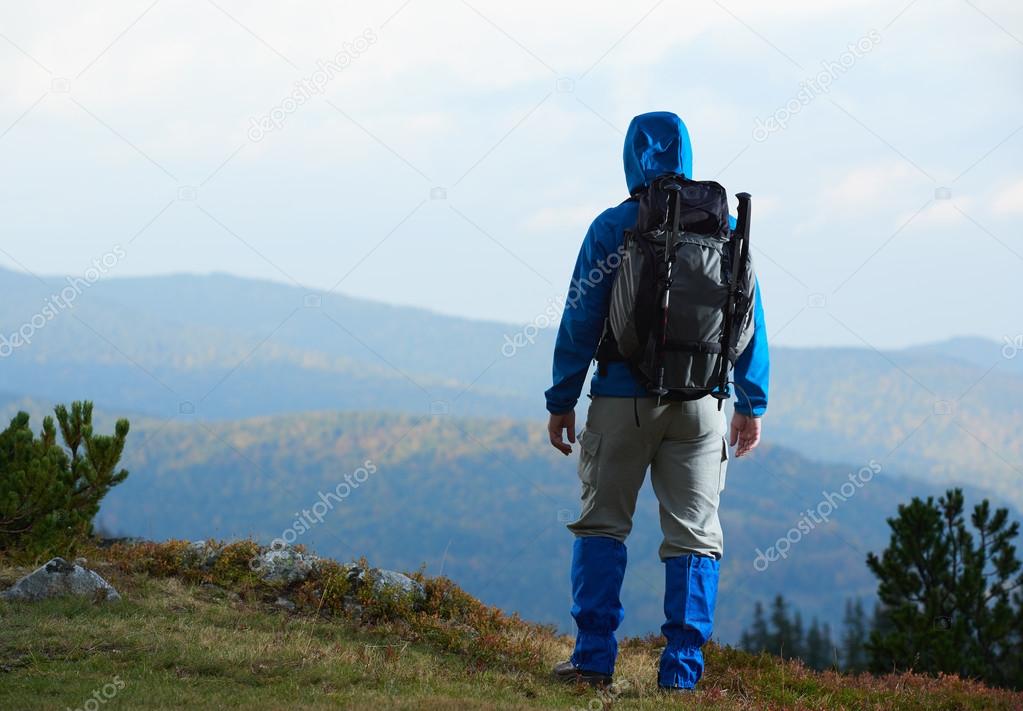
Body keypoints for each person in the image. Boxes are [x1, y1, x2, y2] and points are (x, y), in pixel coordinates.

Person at [545, 111, 770, 691]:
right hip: (702, 405)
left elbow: (580, 317)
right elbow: (749, 320)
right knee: (695, 537)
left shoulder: (612, 226)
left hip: (622, 400)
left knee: (602, 526)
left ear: (630, 159)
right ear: (688, 155)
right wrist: (751, 402)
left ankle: (593, 660)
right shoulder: (724, 227)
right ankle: (681, 677)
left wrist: (561, 397)